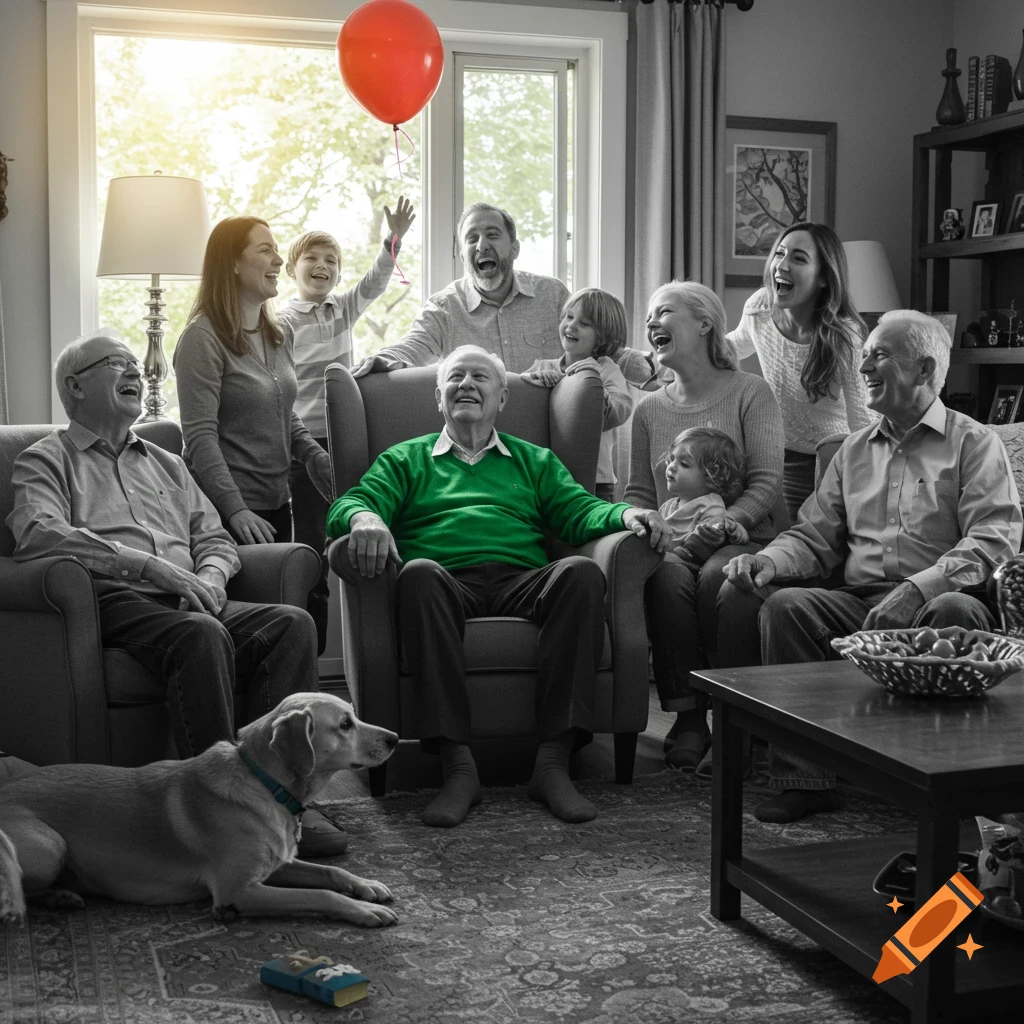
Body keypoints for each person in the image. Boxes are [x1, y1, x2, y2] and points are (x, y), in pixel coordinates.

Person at [5, 331, 346, 856]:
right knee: (200, 634)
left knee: (291, 625)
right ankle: (219, 807)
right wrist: (150, 566)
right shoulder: (45, 459)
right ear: (74, 386)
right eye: (116, 363)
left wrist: (210, 577)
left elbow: (214, 537)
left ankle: (288, 797)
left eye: (134, 364)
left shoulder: (168, 461)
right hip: (111, 599)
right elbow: (38, 532)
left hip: (192, 596)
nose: (135, 372)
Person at [327, 345, 669, 828]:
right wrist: (364, 517)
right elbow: (351, 502)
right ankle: (458, 769)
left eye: (480, 377)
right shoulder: (405, 459)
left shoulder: (534, 460)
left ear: (503, 398)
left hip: (521, 579)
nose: (466, 384)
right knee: (417, 573)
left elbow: (579, 510)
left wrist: (627, 513)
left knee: (580, 573)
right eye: (455, 377)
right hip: (443, 582)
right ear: (439, 399)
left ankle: (553, 765)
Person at [721, 310, 1022, 823]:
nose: (862, 368)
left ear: (924, 369)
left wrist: (918, 588)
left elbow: (993, 539)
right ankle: (804, 780)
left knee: (953, 611)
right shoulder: (853, 450)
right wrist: (766, 560)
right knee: (787, 607)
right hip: (860, 603)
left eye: (878, 356)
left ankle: (940, 783)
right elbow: (814, 536)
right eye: (864, 357)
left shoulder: (974, 443)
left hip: (942, 602)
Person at [624, 281, 784, 772]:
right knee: (665, 575)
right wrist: (642, 524)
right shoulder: (648, 409)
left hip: (744, 536)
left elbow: (765, 483)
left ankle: (738, 724)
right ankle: (689, 718)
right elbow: (639, 494)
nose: (651, 323)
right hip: (675, 543)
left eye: (664, 312)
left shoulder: (750, 392)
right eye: (649, 316)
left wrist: (726, 524)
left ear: (705, 324)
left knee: (721, 575)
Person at [278, 197, 416, 652]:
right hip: (302, 445)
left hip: (344, 440)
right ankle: (310, 650)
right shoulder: (280, 322)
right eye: (311, 259)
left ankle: (374, 636)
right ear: (292, 270)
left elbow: (376, 281)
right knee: (311, 542)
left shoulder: (342, 309)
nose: (322, 266)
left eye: (331, 261)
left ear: (338, 274)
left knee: (359, 525)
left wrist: (393, 239)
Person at [173, 216, 333, 574]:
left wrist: (313, 454)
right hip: (226, 512)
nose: (278, 260)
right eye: (265, 251)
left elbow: (281, 410)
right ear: (232, 263)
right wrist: (235, 509)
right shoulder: (201, 339)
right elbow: (199, 437)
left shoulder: (279, 332)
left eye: (276, 250)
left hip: (277, 503)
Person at [351, 202, 655, 386]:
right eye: (471, 239)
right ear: (462, 254)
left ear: (514, 248)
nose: (481, 245)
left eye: (492, 235)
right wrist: (379, 361)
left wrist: (653, 369)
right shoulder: (444, 307)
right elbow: (410, 348)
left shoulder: (552, 294)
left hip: (550, 443)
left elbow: (600, 342)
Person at [728, 223, 874, 522]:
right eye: (779, 253)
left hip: (831, 462)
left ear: (824, 278)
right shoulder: (760, 307)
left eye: (798, 258)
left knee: (817, 545)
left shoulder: (844, 334)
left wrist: (866, 482)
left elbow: (863, 418)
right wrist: (682, 350)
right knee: (777, 541)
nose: (781, 265)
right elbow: (734, 345)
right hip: (775, 456)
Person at [521, 288, 635, 501]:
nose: (571, 325)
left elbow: (621, 409)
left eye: (584, 323)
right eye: (569, 316)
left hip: (595, 479)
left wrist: (591, 382)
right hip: (544, 476)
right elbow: (517, 401)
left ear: (604, 338)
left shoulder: (606, 370)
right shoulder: (543, 367)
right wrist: (534, 382)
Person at [658, 426, 747, 572]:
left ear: (712, 473)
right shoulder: (668, 506)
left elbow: (715, 534)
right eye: (672, 459)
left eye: (684, 464)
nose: (671, 467)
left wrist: (721, 530)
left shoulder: (711, 506)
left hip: (688, 567)